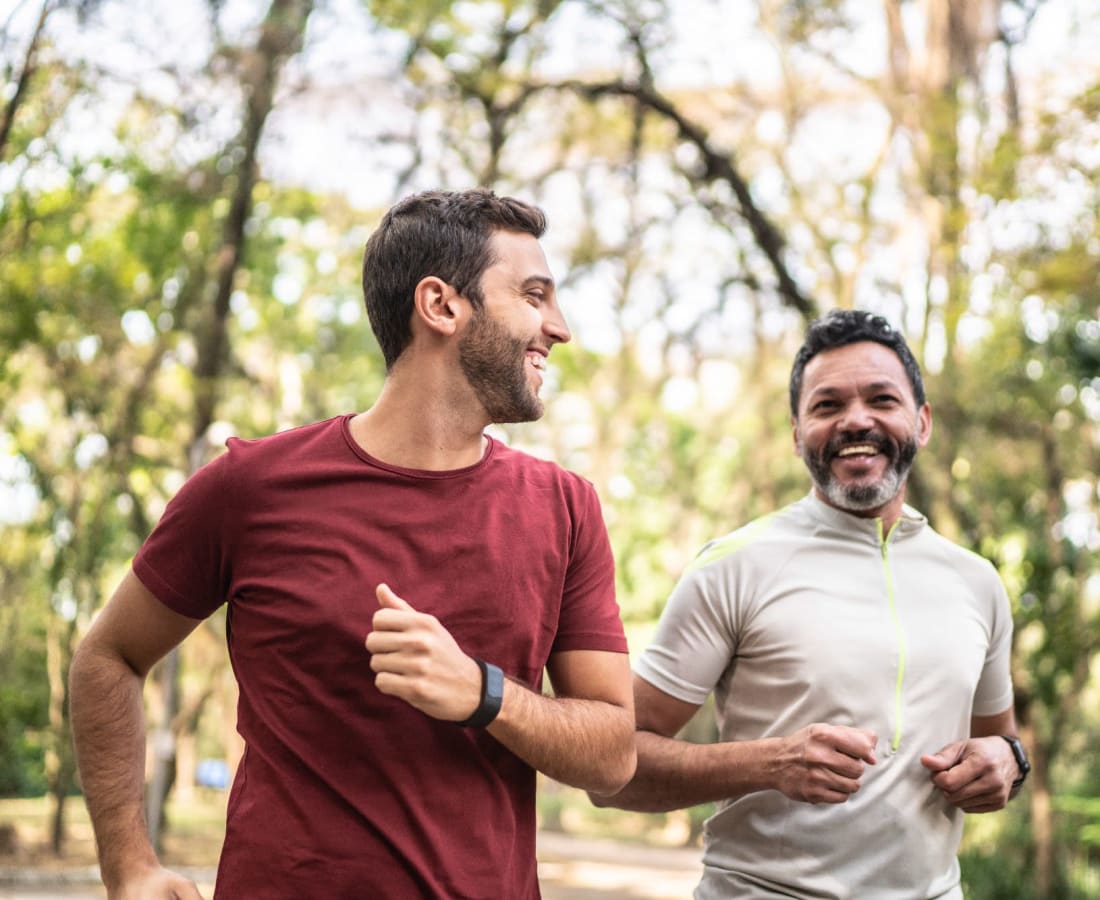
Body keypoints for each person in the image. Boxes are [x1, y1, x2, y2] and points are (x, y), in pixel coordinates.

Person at [69, 188, 636, 900]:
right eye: (533, 294)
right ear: (441, 306)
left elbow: (613, 754)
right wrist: (128, 865)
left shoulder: (566, 508)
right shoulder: (251, 486)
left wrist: (483, 693)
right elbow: (108, 656)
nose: (559, 327)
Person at [591, 309, 1028, 899]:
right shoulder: (733, 565)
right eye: (826, 406)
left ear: (921, 422)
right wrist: (768, 764)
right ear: (797, 433)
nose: (856, 421)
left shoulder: (976, 581)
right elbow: (610, 771)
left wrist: (1008, 762)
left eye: (881, 399)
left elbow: (1002, 740)